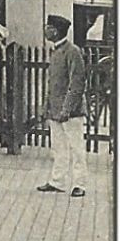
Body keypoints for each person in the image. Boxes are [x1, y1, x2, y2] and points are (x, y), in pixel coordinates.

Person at [36, 14, 89, 198]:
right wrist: (47, 107)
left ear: (56, 31)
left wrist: (67, 109)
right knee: (59, 147)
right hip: (56, 110)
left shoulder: (72, 51)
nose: (45, 30)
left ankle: (79, 184)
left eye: (48, 27)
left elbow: (77, 83)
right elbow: (52, 85)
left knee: (76, 147)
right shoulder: (55, 51)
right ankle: (57, 181)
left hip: (71, 112)